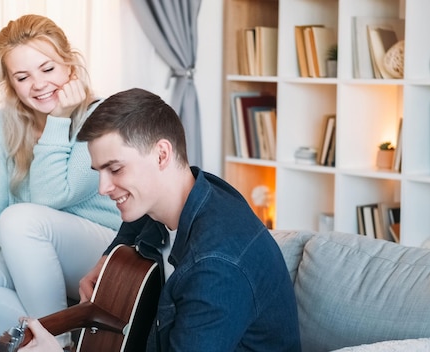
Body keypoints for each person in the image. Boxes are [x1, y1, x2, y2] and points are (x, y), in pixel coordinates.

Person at [19, 88, 301, 351]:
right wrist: (109, 259)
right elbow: (133, 226)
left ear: (162, 154)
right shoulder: (181, 193)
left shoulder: (215, 266)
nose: (103, 188)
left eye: (115, 169)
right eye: (99, 172)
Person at [0, 14, 121, 349]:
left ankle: (53, 339)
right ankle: (58, 343)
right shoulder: (0, 126)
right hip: (33, 246)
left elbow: (53, 196)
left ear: (70, 68)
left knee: (19, 219)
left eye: (48, 69)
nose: (38, 84)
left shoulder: (100, 116)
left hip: (99, 250)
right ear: (10, 84)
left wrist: (58, 120)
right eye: (23, 77)